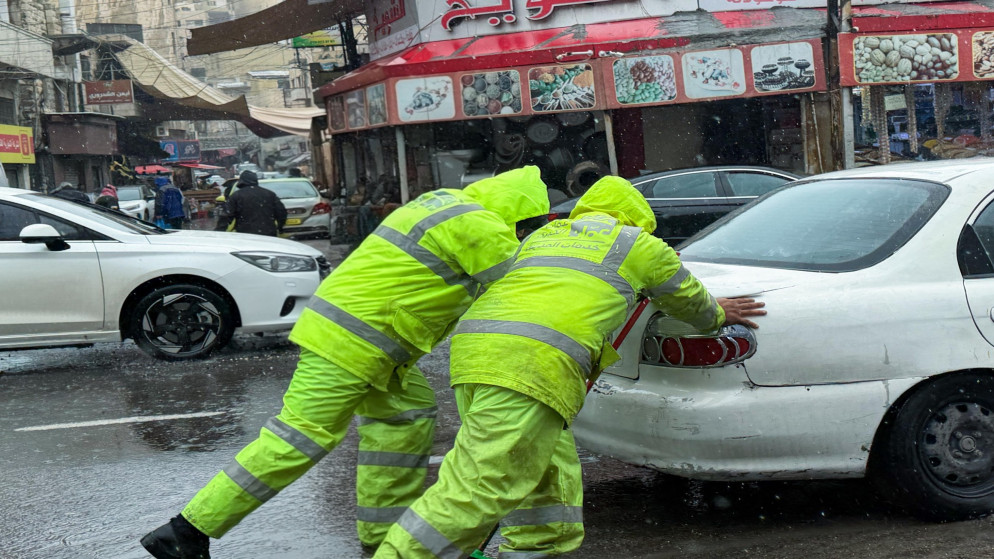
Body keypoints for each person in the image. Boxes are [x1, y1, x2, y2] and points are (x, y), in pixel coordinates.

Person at [140, 166, 551, 559]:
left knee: (406, 417)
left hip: (364, 342)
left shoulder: (442, 203)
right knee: (300, 437)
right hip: (353, 341)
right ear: (518, 216)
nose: (520, 236)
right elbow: (526, 285)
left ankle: (383, 534)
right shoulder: (478, 225)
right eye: (525, 229)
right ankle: (186, 531)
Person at [373, 176, 767, 559]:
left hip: (478, 350)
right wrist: (718, 313)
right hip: (532, 362)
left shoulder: (544, 236)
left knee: (543, 464)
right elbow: (690, 300)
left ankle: (534, 547)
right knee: (478, 484)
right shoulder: (638, 244)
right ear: (638, 216)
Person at [225, 170, 287, 236]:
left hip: (245, 233)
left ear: (241, 181)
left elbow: (228, 214)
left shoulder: (236, 195)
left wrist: (222, 231)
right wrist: (280, 227)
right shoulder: (269, 194)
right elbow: (281, 212)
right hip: (268, 232)